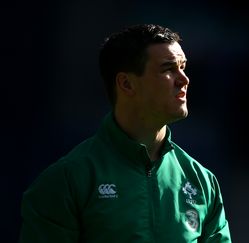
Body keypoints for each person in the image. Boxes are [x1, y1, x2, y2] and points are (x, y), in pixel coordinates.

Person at [19, 24, 232, 243]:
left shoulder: (202, 182)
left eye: (183, 67)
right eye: (168, 69)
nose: (184, 79)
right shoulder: (66, 182)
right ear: (126, 83)